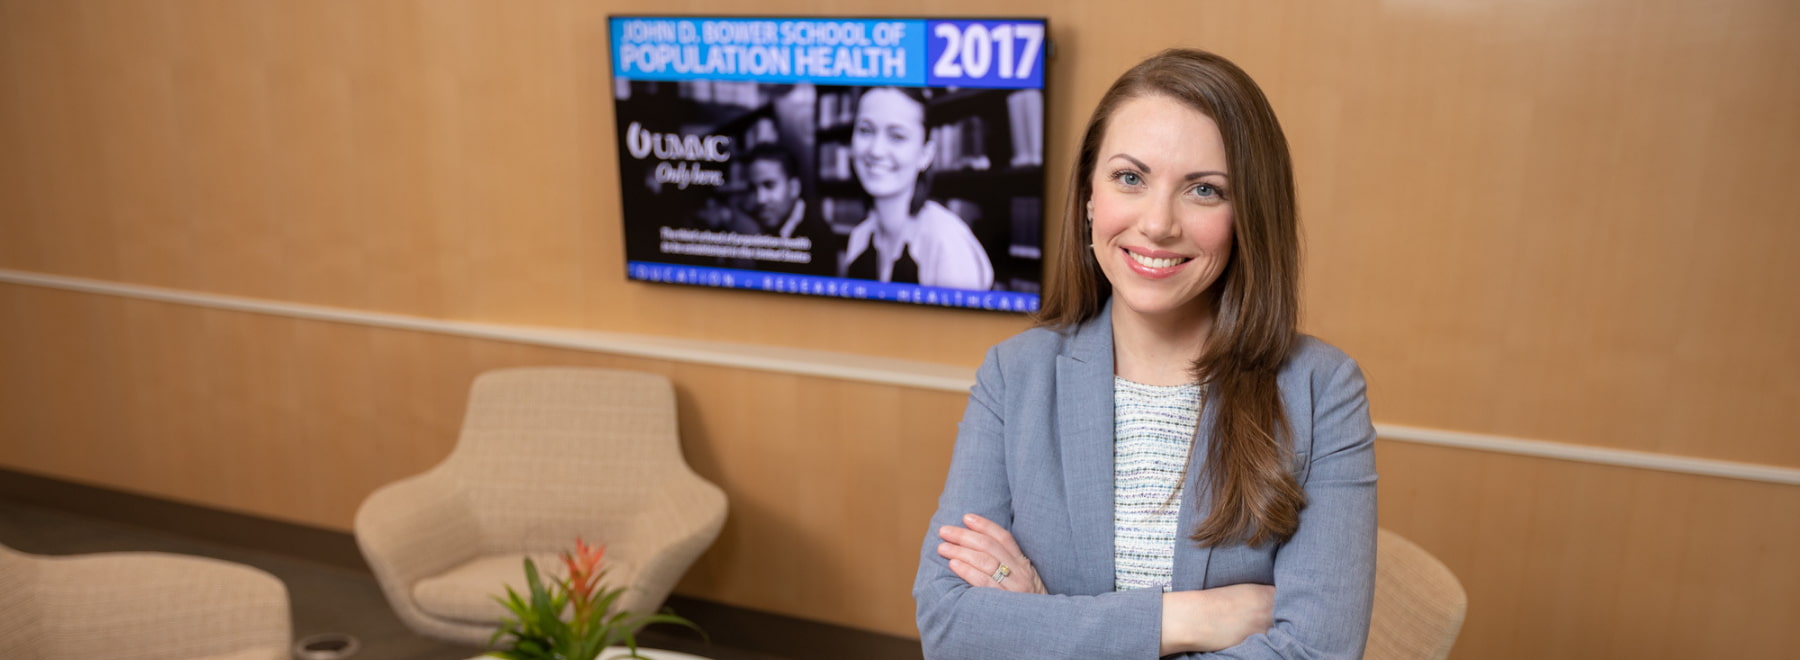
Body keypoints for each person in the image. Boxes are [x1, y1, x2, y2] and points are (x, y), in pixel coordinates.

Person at [913, 49, 1378, 659]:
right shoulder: (1015, 375)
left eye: (1205, 191)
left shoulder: (1321, 390)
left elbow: (1316, 653)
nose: (1158, 224)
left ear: (1249, 217)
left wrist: (1039, 616)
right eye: (1130, 178)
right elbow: (950, 628)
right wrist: (1186, 619)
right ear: (1088, 196)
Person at [842, 86, 995, 290]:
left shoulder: (947, 244)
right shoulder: (859, 238)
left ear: (926, 154)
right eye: (865, 130)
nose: (876, 150)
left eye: (897, 136)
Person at [744, 143, 841, 276]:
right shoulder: (763, 229)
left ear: (794, 188)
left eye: (769, 185)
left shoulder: (820, 237)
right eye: (753, 189)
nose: (760, 199)